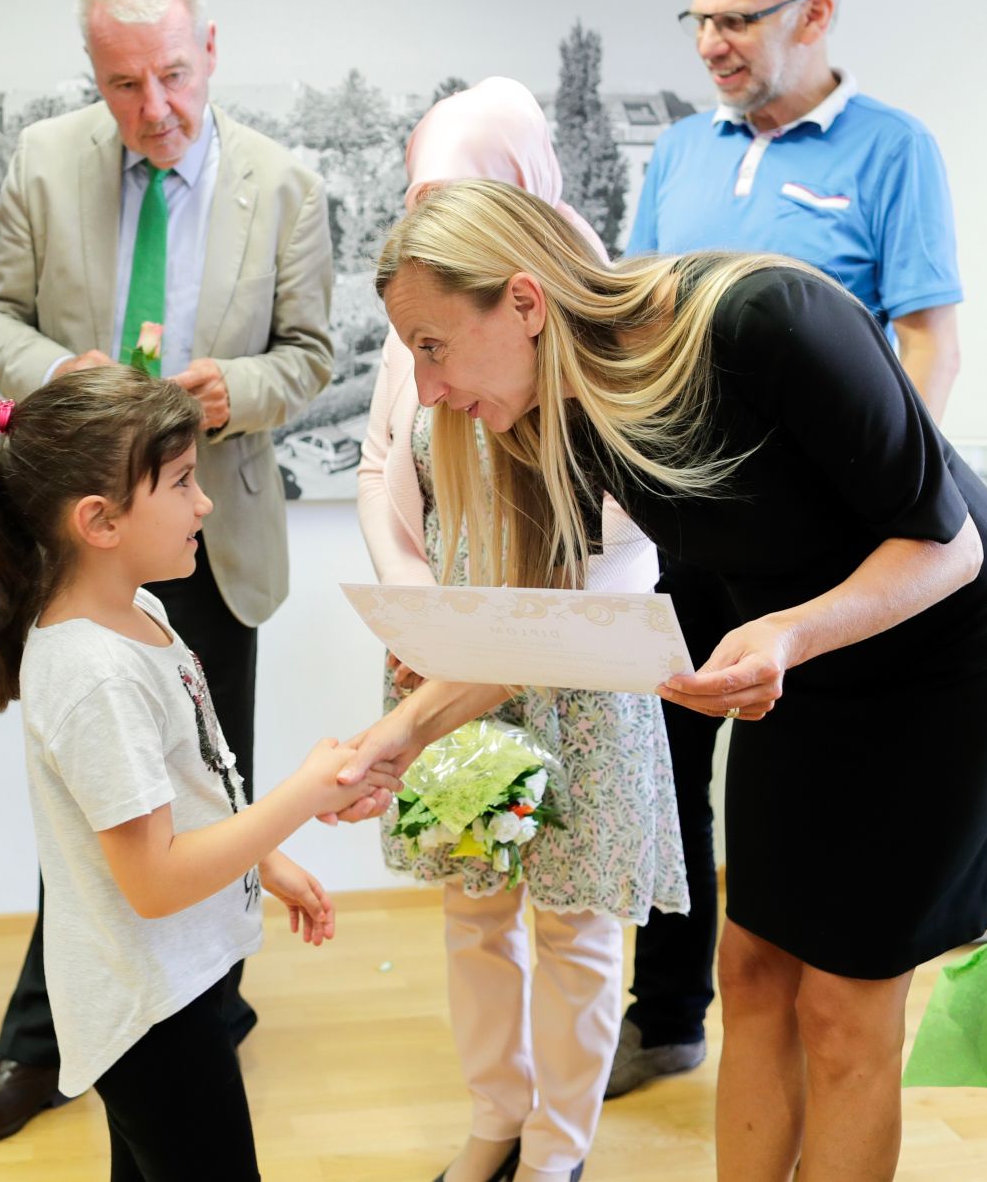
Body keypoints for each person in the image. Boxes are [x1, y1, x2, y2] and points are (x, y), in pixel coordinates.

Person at [345, 179, 987, 1182]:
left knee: (843, 1010)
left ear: (524, 301)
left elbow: (947, 549)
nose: (423, 387)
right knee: (752, 971)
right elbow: (542, 629)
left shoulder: (766, 321)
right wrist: (398, 737)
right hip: (793, 661)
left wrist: (787, 636)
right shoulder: (554, 406)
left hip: (938, 662)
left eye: (430, 345)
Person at [0, 0, 334, 1140]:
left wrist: (237, 392)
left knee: (201, 781)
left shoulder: (285, 183)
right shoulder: (44, 163)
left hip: (200, 536)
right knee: (101, 801)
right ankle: (52, 1041)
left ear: (209, 52)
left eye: (171, 75)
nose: (153, 107)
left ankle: (201, 1014)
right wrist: (57, 379)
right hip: (85, 528)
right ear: (93, 75)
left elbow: (313, 357)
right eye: (123, 85)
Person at [615, 0, 966, 1096]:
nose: (709, 42)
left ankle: (814, 989)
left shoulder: (889, 149)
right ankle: (665, 1011)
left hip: (823, 549)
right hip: (688, 531)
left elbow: (928, 341)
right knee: (668, 765)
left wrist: (892, 497)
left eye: (735, 18)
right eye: (698, 18)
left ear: (813, 14)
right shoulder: (679, 153)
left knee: (797, 780)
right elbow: (631, 328)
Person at [0, 368, 392, 1182]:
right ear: (100, 521)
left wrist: (265, 858)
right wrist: (302, 796)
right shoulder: (94, 673)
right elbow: (150, 879)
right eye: (183, 481)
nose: (206, 503)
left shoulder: (141, 612)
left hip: (173, 980)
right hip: (149, 1007)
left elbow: (191, 781)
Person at [357, 79, 685, 1182]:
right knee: (472, 903)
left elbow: (624, 551)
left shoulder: (606, 342)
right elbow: (379, 478)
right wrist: (413, 603)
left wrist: (460, 653)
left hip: (576, 664)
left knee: (578, 927)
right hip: (448, 656)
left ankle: (557, 1147)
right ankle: (495, 1117)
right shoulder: (421, 319)